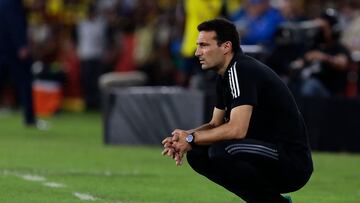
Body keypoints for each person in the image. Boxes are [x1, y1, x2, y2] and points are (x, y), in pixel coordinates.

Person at [162, 18, 313, 203]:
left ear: (226, 47)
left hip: (291, 161)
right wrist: (185, 138)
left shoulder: (241, 69)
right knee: (197, 153)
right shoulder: (224, 76)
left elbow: (236, 129)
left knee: (222, 150)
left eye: (203, 45)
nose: (197, 52)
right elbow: (214, 124)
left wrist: (191, 138)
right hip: (265, 152)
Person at [0, 0, 35, 125]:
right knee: (25, 82)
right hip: (13, 50)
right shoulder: (12, 3)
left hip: (3, 48)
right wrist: (21, 45)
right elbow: (15, 23)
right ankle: (29, 118)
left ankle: (30, 117)